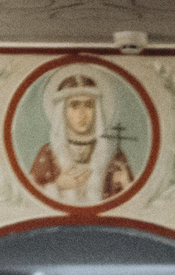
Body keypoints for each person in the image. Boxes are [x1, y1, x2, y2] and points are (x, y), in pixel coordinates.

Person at [29, 70, 133, 207]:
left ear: (97, 110)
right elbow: (30, 200)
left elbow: (130, 206)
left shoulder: (113, 155)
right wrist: (59, 185)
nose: (82, 114)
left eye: (89, 105)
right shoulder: (48, 153)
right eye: (75, 105)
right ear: (63, 111)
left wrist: (126, 185)